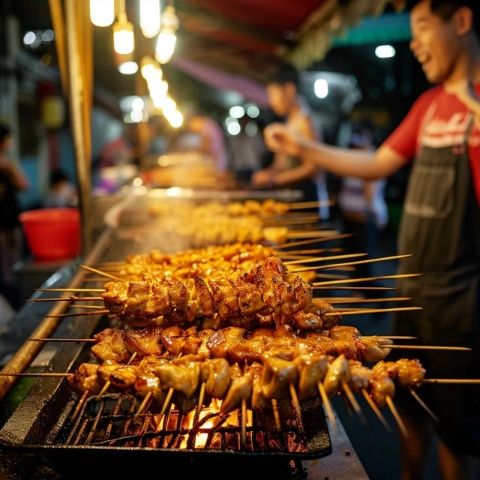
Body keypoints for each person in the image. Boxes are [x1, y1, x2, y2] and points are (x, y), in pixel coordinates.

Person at [263, 1, 480, 478]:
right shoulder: (428, 106)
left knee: (452, 429)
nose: (415, 43)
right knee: (403, 406)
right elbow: (377, 163)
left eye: (423, 28)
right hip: (412, 289)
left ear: (461, 22)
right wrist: (303, 147)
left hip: (460, 303)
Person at [252, 65, 329, 218]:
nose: (271, 101)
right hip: (294, 197)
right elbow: (283, 163)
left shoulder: (306, 122)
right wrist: (269, 173)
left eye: (273, 93)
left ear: (289, 90)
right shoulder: (291, 121)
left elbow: (314, 167)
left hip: (308, 200)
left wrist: (277, 179)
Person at [337, 124, 388, 284]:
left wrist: (366, 158)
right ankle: (358, 292)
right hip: (350, 219)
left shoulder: (376, 160)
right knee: (351, 260)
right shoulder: (352, 159)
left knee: (365, 264)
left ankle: (380, 300)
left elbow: (369, 194)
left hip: (365, 220)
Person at [0, 124, 29, 308]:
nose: (10, 142)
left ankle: (13, 281)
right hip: (2, 214)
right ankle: (9, 287)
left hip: (11, 211)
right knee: (4, 250)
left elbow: (23, 185)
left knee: (15, 247)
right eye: (8, 139)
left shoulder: (6, 162)